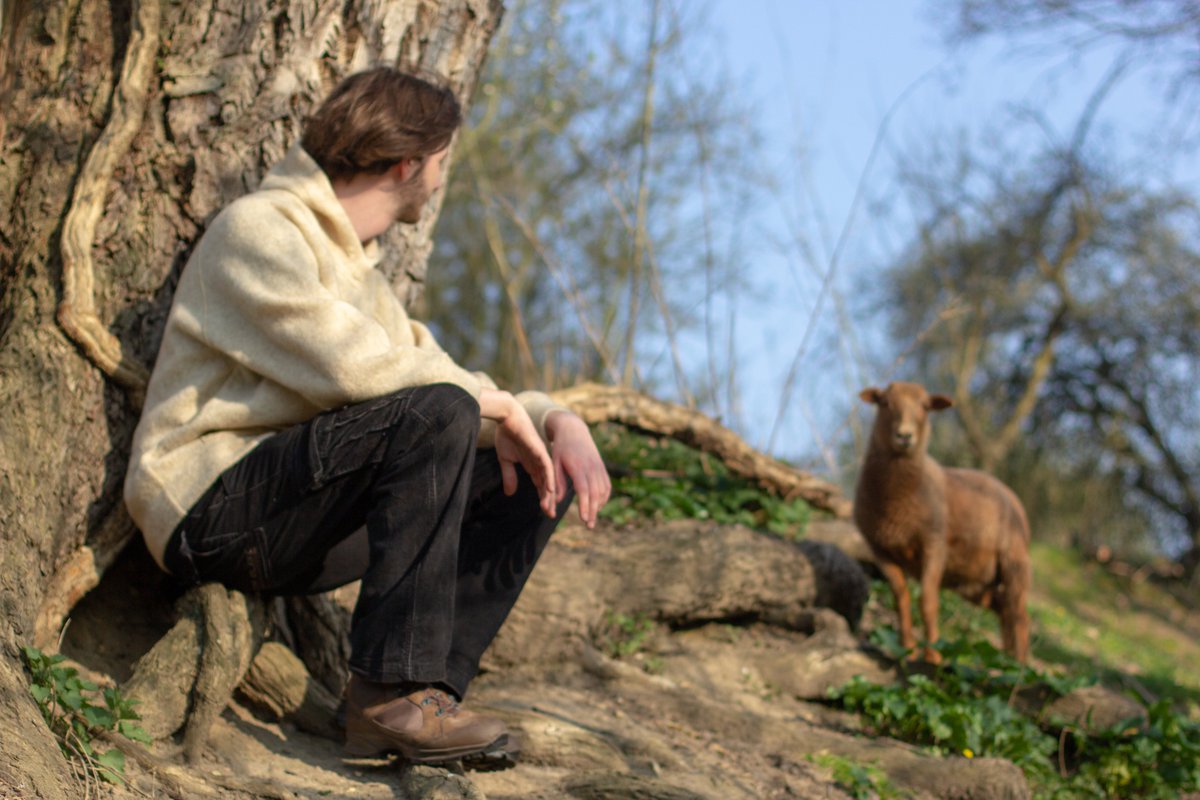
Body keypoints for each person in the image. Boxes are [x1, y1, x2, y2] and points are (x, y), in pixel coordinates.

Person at [123, 67, 611, 766]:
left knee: (530, 469)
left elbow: (435, 371)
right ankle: (388, 694)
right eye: (442, 161)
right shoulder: (259, 229)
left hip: (294, 520)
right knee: (442, 410)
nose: (441, 179)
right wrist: (490, 406)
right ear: (409, 163)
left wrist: (555, 419)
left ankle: (430, 700)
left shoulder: (363, 279)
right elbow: (359, 368)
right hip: (209, 509)